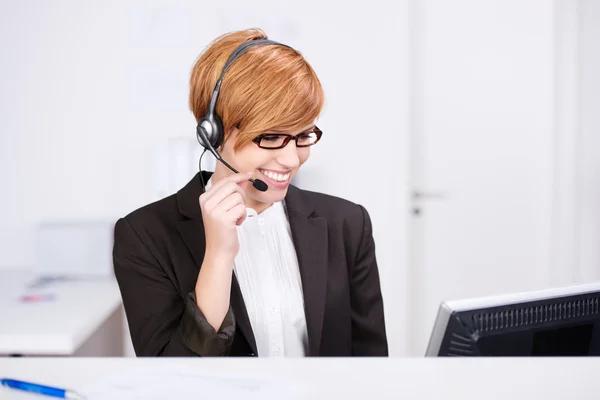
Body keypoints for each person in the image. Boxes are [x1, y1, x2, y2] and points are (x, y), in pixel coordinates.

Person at [112, 28, 388, 357]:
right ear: (212, 133)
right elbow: (171, 378)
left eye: (303, 135)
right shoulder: (145, 236)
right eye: (271, 137)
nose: (291, 159)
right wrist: (218, 256)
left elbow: (370, 364)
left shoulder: (347, 224)